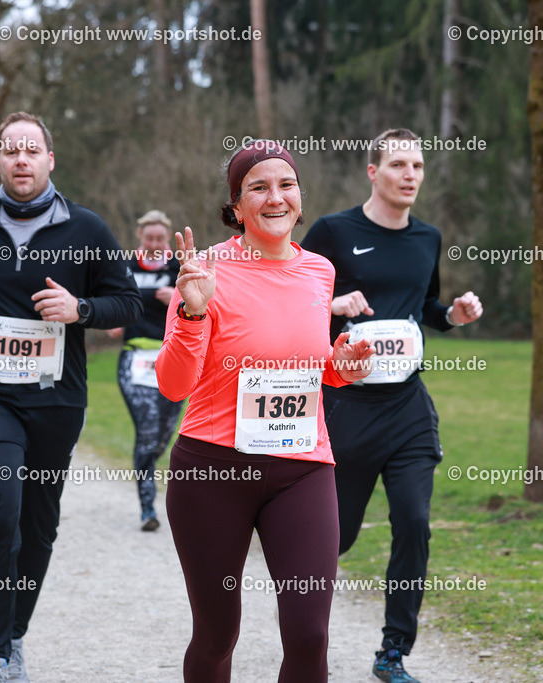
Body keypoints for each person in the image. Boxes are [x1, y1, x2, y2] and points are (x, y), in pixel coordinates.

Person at [0, 111, 142, 683]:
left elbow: (129, 302)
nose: (21, 159)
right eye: (10, 150)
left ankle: (15, 635)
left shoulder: (87, 230)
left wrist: (82, 310)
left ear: (50, 160)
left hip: (56, 401)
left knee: (39, 525)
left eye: (32, 150)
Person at [156, 140, 373, 682]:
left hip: (301, 467)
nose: (275, 197)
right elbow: (173, 385)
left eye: (286, 185)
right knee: (217, 632)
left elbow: (304, 363)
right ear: (236, 206)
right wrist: (192, 311)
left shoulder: (319, 271)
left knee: (309, 635)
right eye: (258, 187)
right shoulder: (206, 269)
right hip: (212, 469)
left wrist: (340, 365)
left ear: (300, 198)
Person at [300, 128, 483, 683]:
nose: (410, 175)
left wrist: (452, 315)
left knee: (415, 521)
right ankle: (305, 635)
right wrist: (333, 304)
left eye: (419, 165)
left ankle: (392, 652)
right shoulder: (333, 231)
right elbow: (293, 299)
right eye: (399, 164)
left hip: (407, 407)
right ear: (373, 172)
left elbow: (423, 305)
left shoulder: (427, 237)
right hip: (347, 406)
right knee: (338, 537)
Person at [106, 209, 182, 531]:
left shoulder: (178, 268)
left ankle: (146, 472)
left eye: (160, 239)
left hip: (172, 358)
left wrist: (178, 298)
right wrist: (112, 319)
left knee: (163, 436)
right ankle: (147, 508)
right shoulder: (124, 267)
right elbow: (109, 304)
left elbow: (204, 306)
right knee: (148, 429)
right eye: (149, 238)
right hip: (135, 359)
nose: (154, 243)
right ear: (140, 236)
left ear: (167, 240)